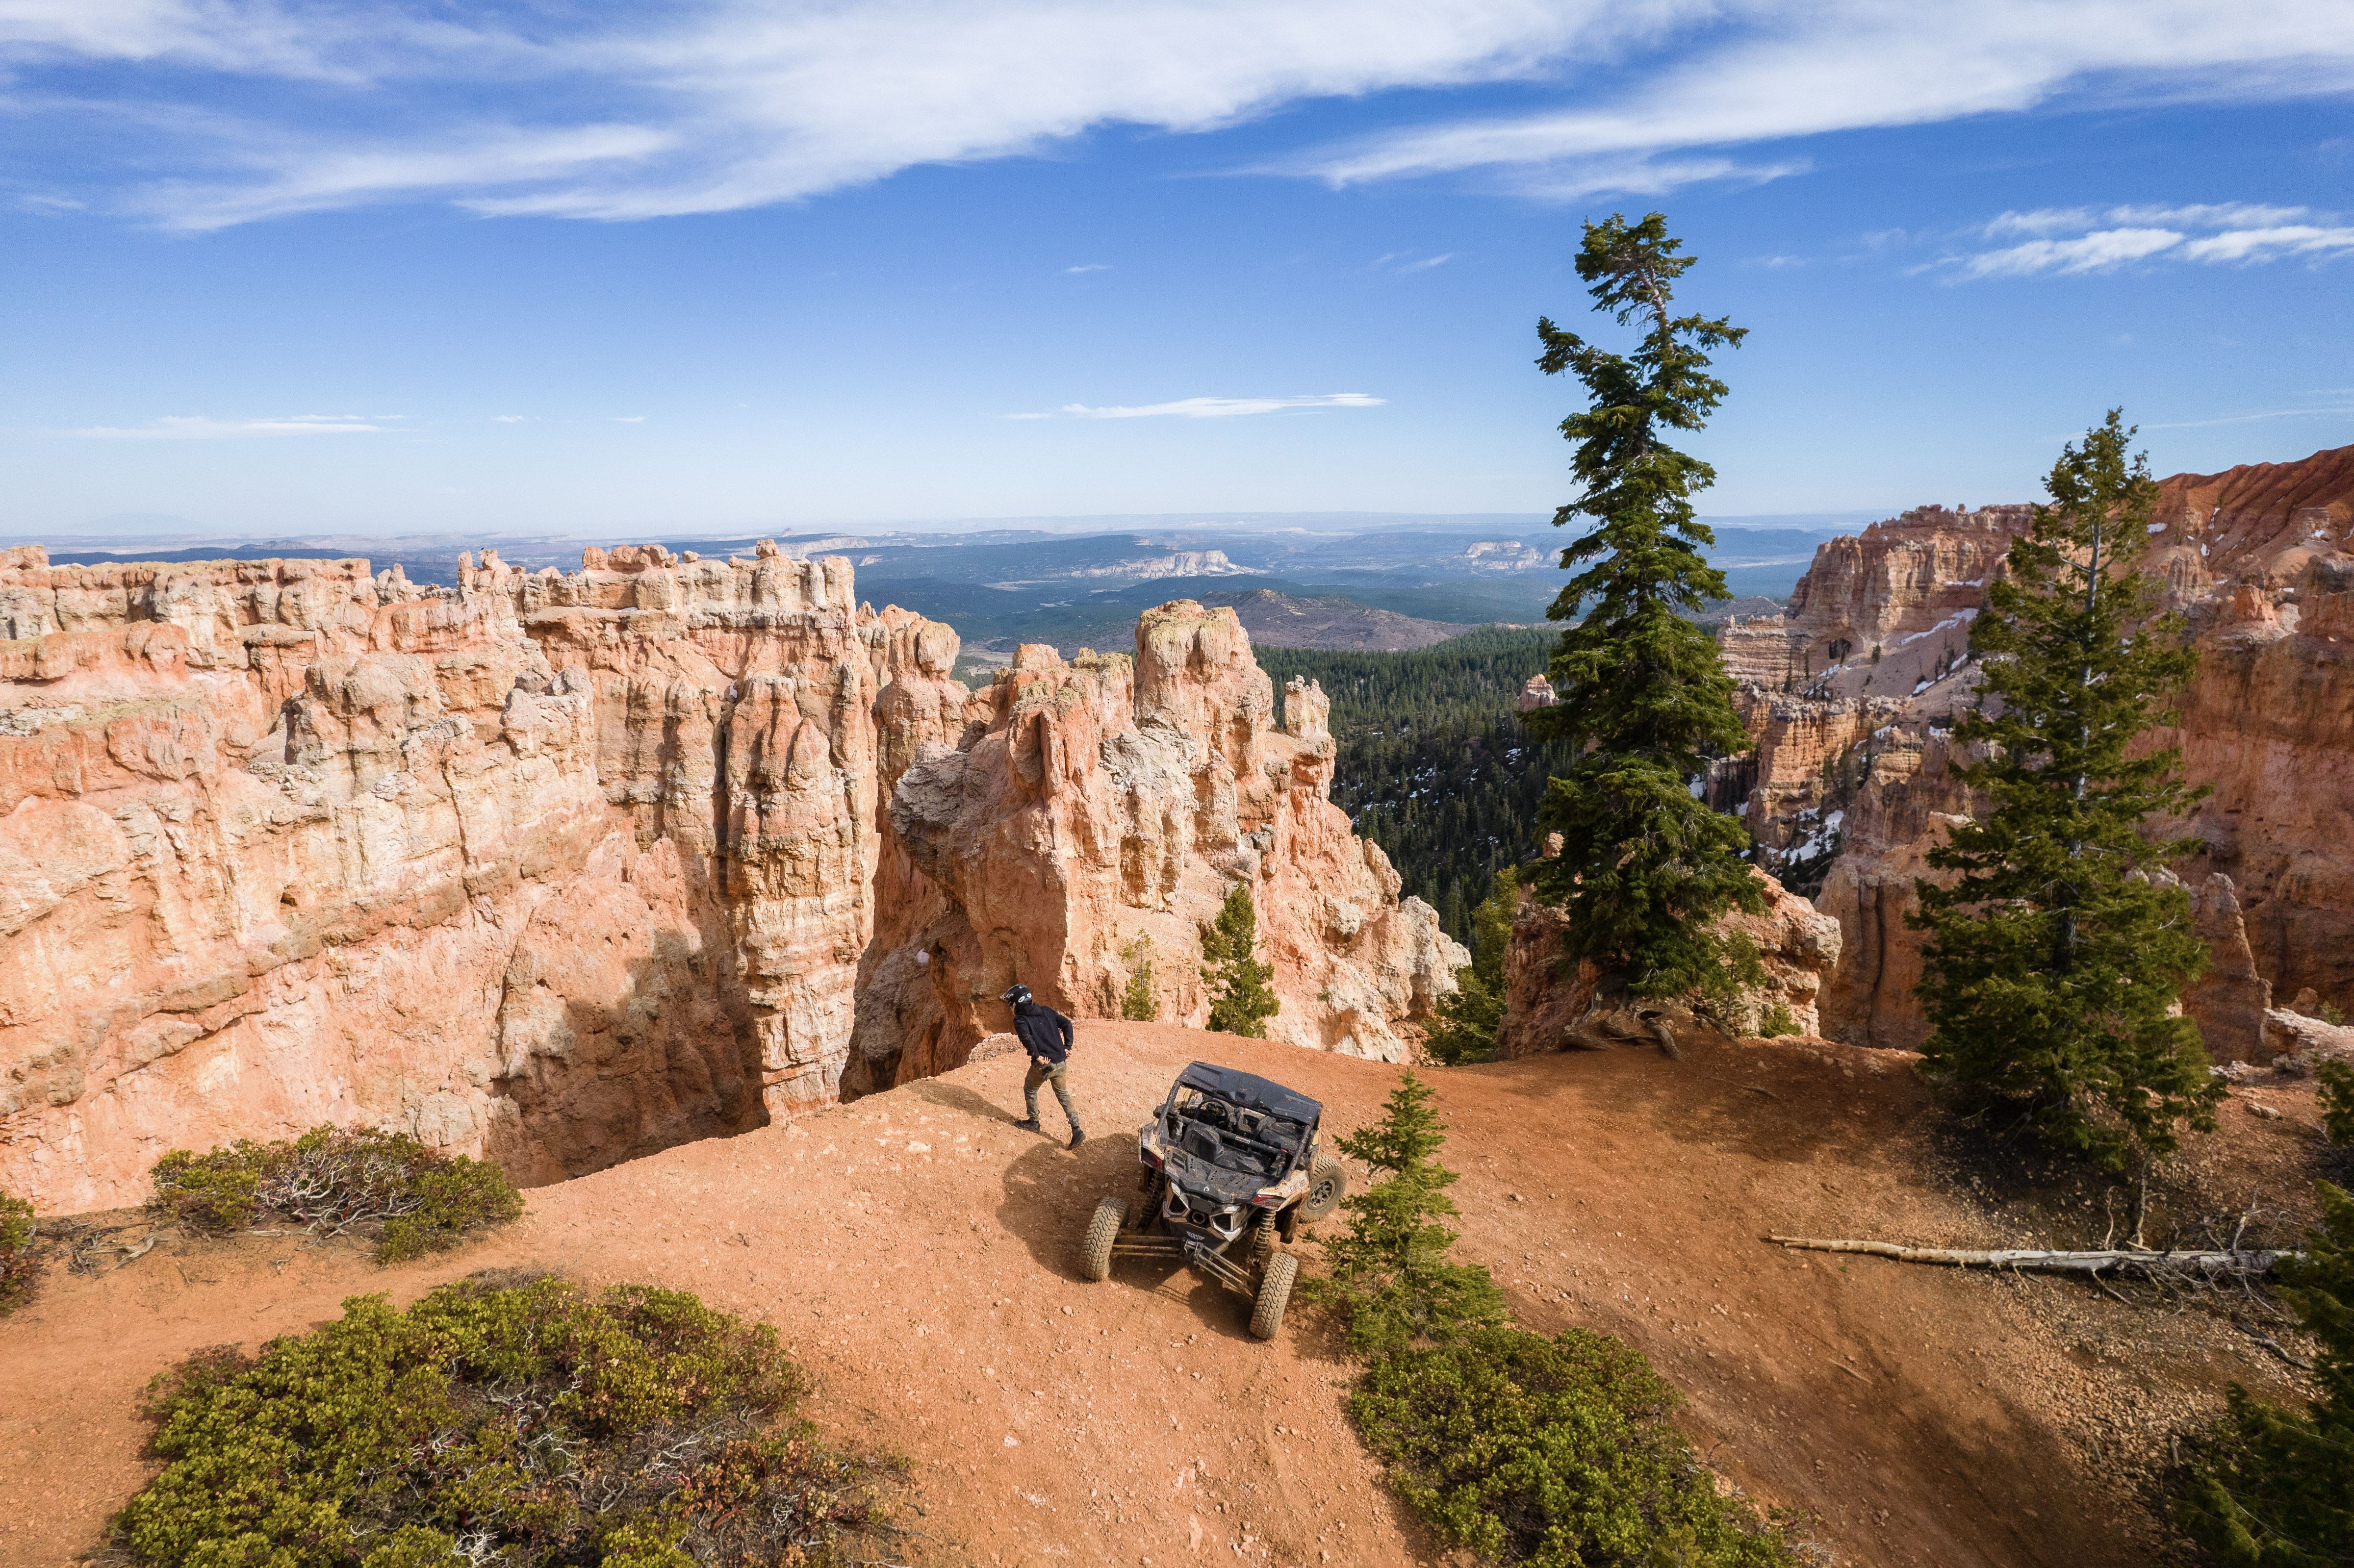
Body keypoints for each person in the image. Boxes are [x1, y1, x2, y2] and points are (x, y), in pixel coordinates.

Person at [1002, 983, 1083, 1149]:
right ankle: (1077, 1129)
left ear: (1016, 1004)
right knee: (1063, 1095)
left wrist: (1037, 1056)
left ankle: (1034, 1123)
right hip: (1061, 1062)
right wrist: (1068, 1047)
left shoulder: (1020, 1019)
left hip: (1044, 1066)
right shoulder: (1046, 1010)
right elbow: (1067, 1024)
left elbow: (1026, 1039)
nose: (1011, 1008)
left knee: (1030, 1089)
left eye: (1011, 1004)